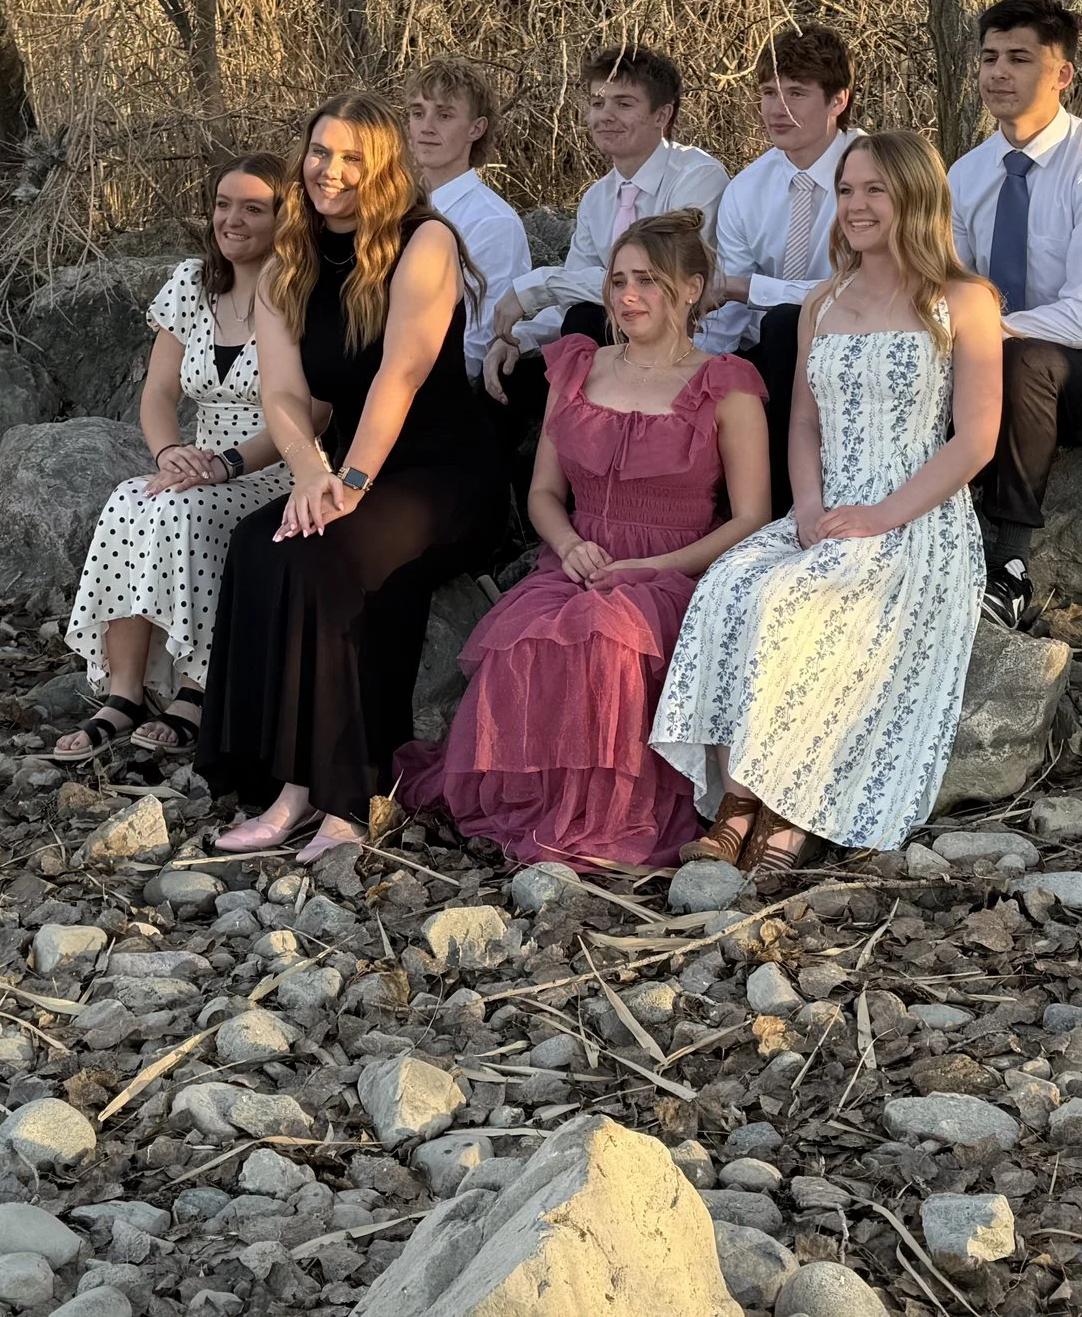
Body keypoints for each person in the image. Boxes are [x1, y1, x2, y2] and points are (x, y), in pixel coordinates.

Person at [649, 131, 1003, 871]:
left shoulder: (962, 300)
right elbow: (805, 422)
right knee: (730, 585)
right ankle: (737, 800)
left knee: (799, 602)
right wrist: (807, 508)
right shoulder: (823, 300)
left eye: (876, 189)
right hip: (825, 506)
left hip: (916, 516)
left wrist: (881, 516)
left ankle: (790, 805)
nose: (857, 205)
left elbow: (976, 440)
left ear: (916, 196)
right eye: (847, 190)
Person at [395, 213, 770, 868]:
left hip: (675, 569)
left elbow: (750, 517)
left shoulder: (726, 383)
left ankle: (607, 817)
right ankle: (537, 808)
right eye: (618, 281)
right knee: (525, 637)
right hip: (579, 557)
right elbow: (543, 492)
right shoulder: (577, 366)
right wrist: (568, 546)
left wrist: (649, 565)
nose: (628, 296)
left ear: (691, 288)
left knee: (612, 643)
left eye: (647, 281)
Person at [200, 92, 506, 862]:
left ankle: (347, 794)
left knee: (331, 555)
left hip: (442, 475)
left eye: (351, 158)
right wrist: (312, 475)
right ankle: (285, 782)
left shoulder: (425, 241)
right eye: (319, 151)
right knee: (260, 542)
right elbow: (282, 394)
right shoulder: (289, 258)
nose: (329, 170)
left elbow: (400, 373)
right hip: (346, 467)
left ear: (383, 166)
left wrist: (352, 484)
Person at [48, 154, 304, 761]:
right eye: (223, 204)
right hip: (198, 457)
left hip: (277, 464)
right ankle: (125, 692)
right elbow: (159, 393)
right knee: (130, 499)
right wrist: (170, 453)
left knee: (184, 513)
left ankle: (198, 688)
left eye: (253, 208)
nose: (232, 220)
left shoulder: (300, 293)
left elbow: (310, 411)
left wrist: (225, 465)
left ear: (284, 219)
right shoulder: (192, 282)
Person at [945, 0, 1082, 628]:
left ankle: (1008, 566)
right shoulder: (965, 175)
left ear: (1062, 74)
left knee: (1026, 362)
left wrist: (978, 333)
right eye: (989, 58)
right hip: (990, 357)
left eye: (1019, 59)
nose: (998, 73)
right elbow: (950, 287)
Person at [480, 43, 728, 401]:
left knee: (585, 321)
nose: (605, 116)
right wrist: (519, 337)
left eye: (624, 104)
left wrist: (539, 285)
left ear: (662, 115)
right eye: (598, 103)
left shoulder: (697, 177)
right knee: (506, 375)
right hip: (618, 337)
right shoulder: (597, 198)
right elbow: (573, 290)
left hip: (685, 340)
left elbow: (660, 280)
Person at [697, 25, 858, 513]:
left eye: (796, 93)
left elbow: (861, 287)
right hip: (767, 351)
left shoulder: (873, 174)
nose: (776, 108)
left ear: (837, 100)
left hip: (857, 340)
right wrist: (694, 368)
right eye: (769, 92)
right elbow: (727, 309)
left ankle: (786, 508)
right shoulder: (748, 187)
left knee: (786, 323)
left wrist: (752, 289)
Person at [406, 59, 530, 384]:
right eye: (418, 113)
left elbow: (476, 346)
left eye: (444, 115)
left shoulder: (493, 223)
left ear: (476, 128)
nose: (426, 127)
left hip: (435, 390)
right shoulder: (391, 208)